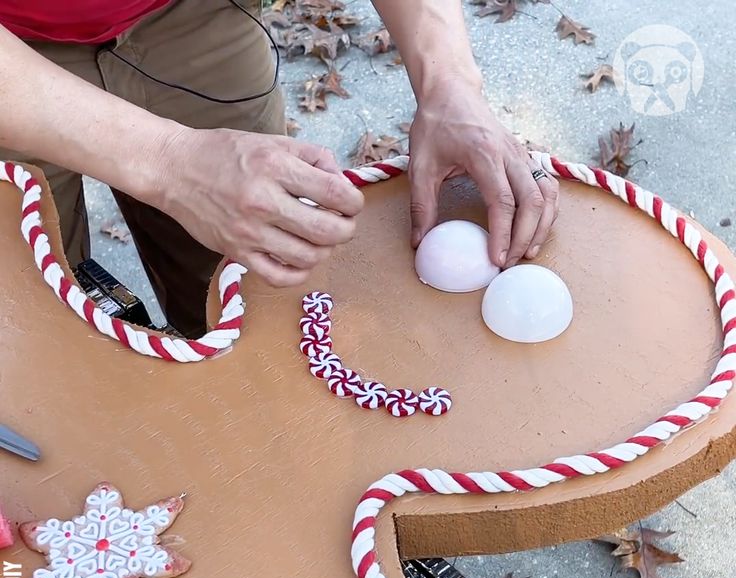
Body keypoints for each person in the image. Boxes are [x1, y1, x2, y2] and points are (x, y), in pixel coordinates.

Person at [0, 0, 558, 337]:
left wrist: (449, 82)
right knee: (42, 328)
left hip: (186, 18)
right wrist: (171, 163)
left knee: (248, 291)